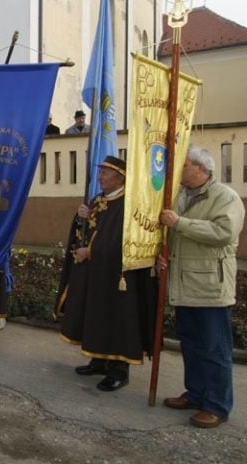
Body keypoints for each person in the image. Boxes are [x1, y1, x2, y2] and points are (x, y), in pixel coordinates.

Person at [159, 146, 245, 429]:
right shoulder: (182, 195)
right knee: (192, 346)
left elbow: (223, 233)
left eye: (183, 165)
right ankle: (195, 394)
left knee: (214, 349)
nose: (177, 170)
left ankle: (217, 406)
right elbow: (175, 236)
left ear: (200, 168)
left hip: (210, 287)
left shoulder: (225, 197)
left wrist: (180, 222)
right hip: (184, 284)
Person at [53, 156, 155, 391]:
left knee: (117, 318)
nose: (100, 177)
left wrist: (90, 251)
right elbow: (88, 229)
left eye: (105, 174)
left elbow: (122, 240)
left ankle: (119, 370)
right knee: (96, 315)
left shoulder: (129, 205)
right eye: (100, 173)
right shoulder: (98, 199)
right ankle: (98, 359)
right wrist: (80, 218)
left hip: (117, 276)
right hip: (94, 272)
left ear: (120, 178)